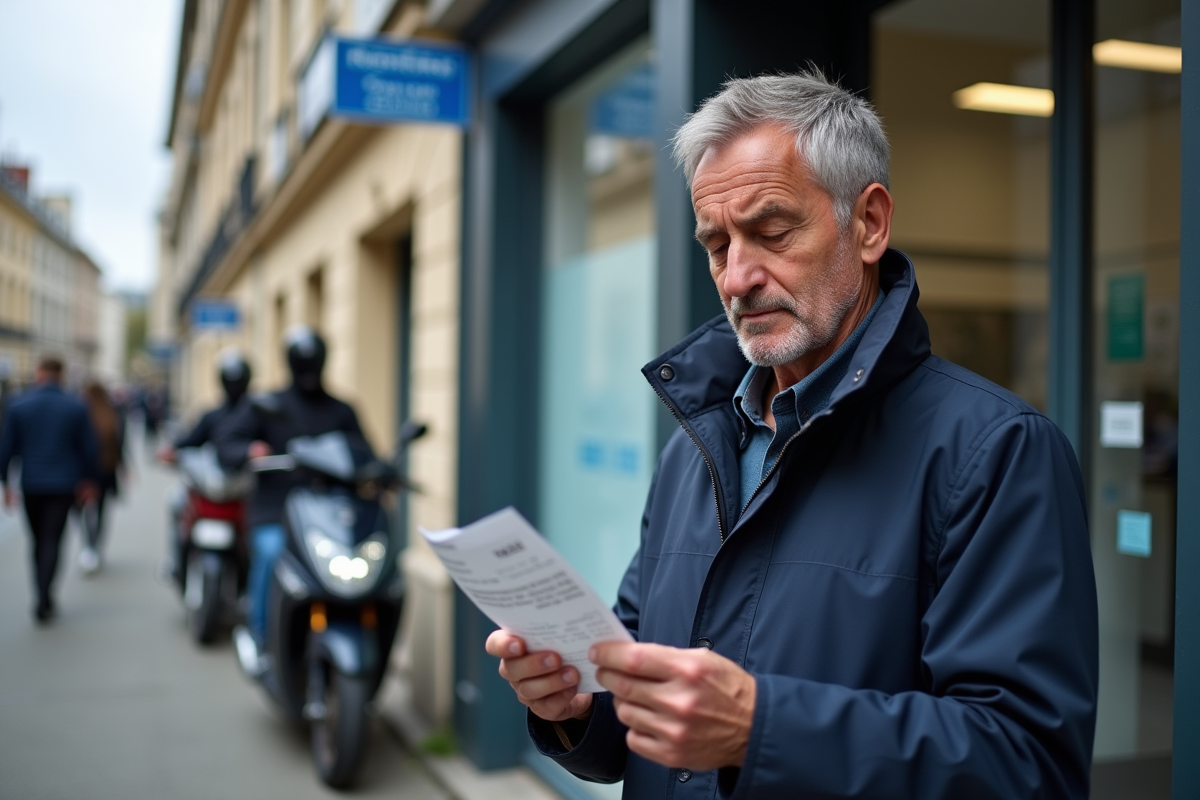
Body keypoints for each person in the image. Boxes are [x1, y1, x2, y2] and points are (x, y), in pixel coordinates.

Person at [486, 71, 1099, 799]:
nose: (737, 276)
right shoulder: (693, 449)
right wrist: (580, 705)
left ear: (868, 224)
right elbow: (643, 682)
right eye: (716, 245)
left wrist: (760, 728)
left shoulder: (996, 451)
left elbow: (1030, 766)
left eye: (771, 232)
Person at [215, 326, 368, 654]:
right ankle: (262, 636)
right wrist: (249, 451)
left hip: (330, 516)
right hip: (277, 511)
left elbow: (364, 451)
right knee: (272, 553)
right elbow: (226, 443)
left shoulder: (342, 410)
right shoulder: (266, 404)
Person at [0, 356, 99, 623]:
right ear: (61, 374)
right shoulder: (76, 406)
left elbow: (6, 448)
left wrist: (5, 485)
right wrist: (90, 481)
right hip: (64, 484)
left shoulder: (19, 404)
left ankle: (40, 594)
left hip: (32, 483)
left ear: (40, 372)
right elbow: (88, 449)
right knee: (53, 539)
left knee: (37, 540)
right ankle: (46, 595)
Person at [157, 349, 252, 583]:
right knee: (176, 501)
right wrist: (173, 451)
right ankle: (175, 561)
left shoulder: (257, 414)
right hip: (212, 484)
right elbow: (192, 439)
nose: (234, 385)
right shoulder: (212, 415)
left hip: (244, 487)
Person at [76, 382, 126, 574]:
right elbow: (120, 443)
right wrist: (123, 467)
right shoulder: (112, 413)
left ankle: (89, 546)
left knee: (84, 511)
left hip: (84, 471)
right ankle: (96, 546)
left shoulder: (81, 413)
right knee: (102, 511)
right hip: (106, 470)